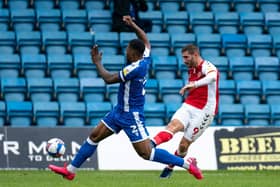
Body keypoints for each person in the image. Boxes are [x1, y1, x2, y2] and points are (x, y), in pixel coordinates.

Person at [48, 16, 203, 181]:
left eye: (128, 49)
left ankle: (187, 164)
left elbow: (108, 79)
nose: (126, 51)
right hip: (119, 111)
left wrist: (97, 63)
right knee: (94, 136)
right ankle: (70, 170)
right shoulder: (145, 56)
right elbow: (145, 40)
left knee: (146, 152)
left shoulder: (134, 68)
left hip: (131, 115)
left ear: (134, 53)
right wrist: (133, 25)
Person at [152, 44, 219, 178]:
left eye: (186, 57)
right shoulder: (191, 69)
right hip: (189, 106)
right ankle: (150, 144)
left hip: (205, 111)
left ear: (195, 55)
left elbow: (213, 77)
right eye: (183, 58)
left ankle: (171, 166)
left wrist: (193, 84)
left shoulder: (207, 66)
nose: (184, 61)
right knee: (172, 127)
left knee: (183, 146)